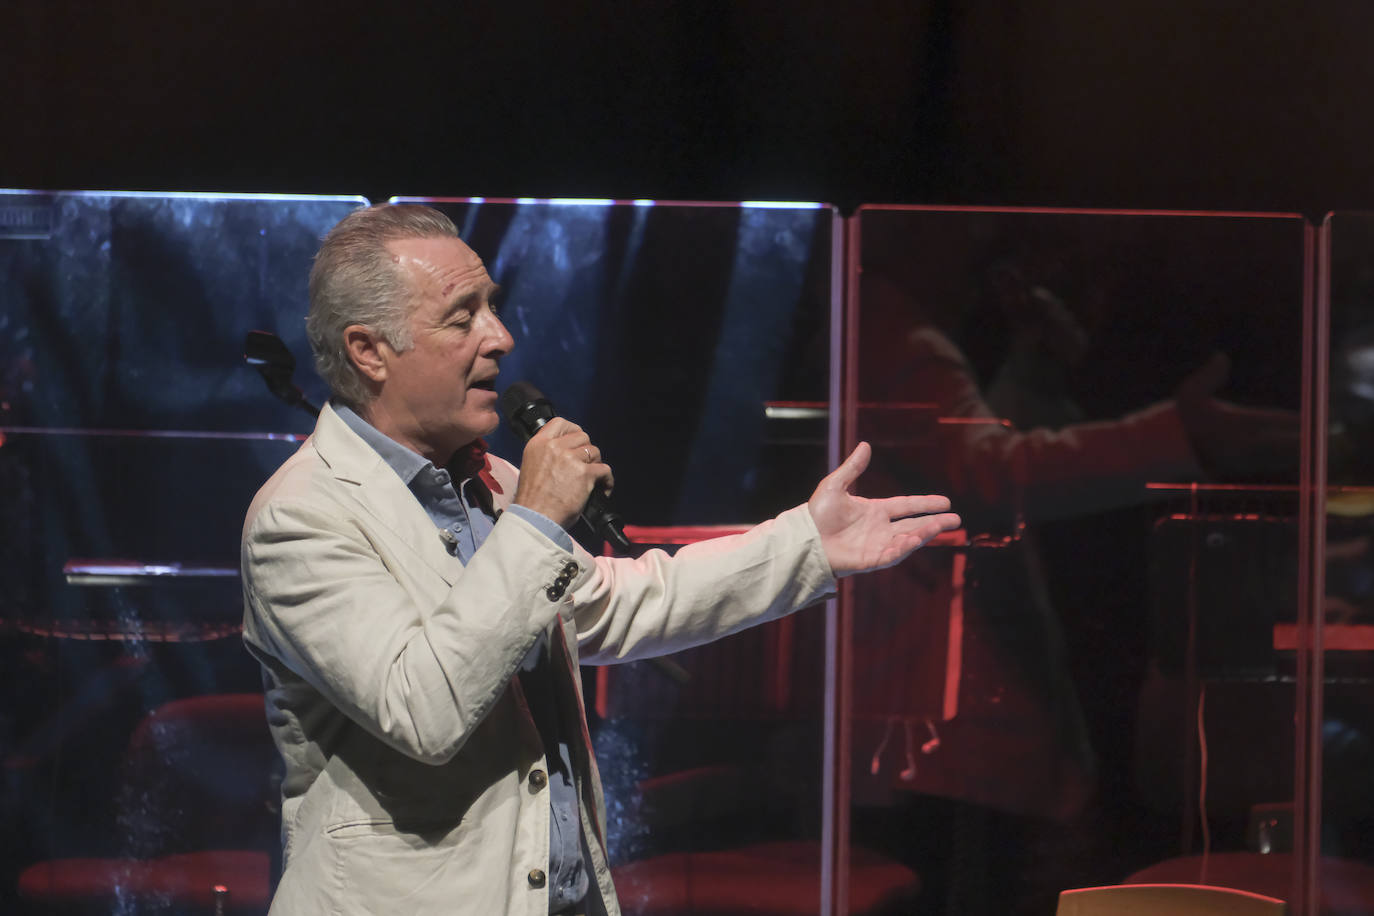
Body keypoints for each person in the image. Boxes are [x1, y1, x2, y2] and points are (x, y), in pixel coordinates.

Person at [239, 203, 961, 916]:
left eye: (492, 306)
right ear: (369, 351)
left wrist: (807, 543)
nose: (501, 338)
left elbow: (617, 602)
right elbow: (423, 710)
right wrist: (535, 520)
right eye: (462, 317)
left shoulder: (488, 485)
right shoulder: (302, 516)